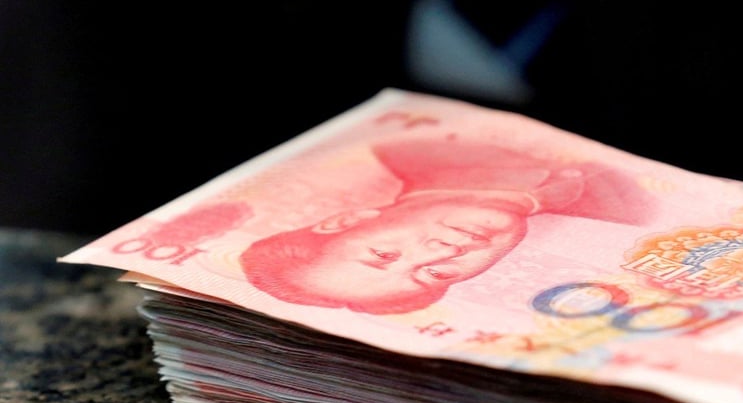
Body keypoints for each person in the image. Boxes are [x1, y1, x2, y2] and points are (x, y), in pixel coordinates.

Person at [239, 137, 655, 314]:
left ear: (348, 220)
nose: (444, 252)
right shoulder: (624, 222)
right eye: (435, 275)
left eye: (383, 254)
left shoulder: (411, 146)